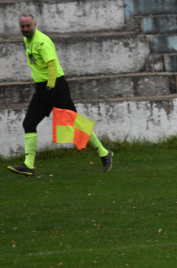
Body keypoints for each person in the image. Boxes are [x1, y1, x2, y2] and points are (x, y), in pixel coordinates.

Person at [7, 14, 113, 176]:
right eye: (23, 27)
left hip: (55, 87)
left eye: (28, 26)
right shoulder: (27, 40)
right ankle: (28, 165)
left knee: (75, 122)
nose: (25, 29)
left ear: (35, 24)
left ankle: (104, 153)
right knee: (29, 123)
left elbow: (52, 64)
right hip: (43, 89)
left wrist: (50, 85)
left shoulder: (42, 41)